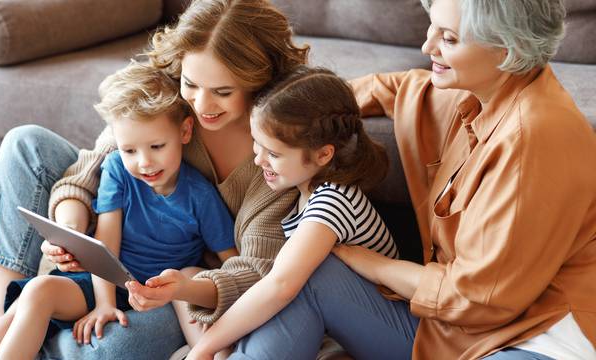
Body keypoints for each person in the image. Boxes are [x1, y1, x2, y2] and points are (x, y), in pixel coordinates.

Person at [220, 0, 596, 359]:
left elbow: (478, 300)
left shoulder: (532, 142)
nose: (426, 45)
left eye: (449, 38)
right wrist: (298, 121)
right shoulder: (481, 93)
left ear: (506, 49)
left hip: (534, 340)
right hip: (450, 330)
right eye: (433, 29)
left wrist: (367, 261)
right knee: (314, 272)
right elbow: (397, 90)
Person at [0, 0, 309, 358]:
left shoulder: (278, 157)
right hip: (113, 261)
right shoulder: (167, 96)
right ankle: (3, 314)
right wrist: (71, 234)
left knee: (110, 347)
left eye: (223, 92)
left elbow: (251, 272)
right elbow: (95, 168)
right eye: (191, 84)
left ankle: (29, 333)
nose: (201, 104)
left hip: (180, 286)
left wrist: (184, 290)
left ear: (258, 82)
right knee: (25, 145)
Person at [0, 59, 238, 359]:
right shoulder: (117, 167)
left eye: (157, 147)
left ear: (184, 132)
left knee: (191, 281)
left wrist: (194, 287)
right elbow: (106, 247)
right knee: (34, 295)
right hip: (107, 282)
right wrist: (104, 303)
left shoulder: (201, 196)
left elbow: (230, 263)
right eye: (130, 150)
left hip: (160, 295)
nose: (144, 162)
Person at [186, 66, 400, 359]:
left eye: (273, 154)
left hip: (399, 337)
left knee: (304, 278)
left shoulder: (334, 200)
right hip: (344, 326)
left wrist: (205, 347)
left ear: (324, 154)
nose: (259, 160)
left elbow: (281, 285)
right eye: (257, 145)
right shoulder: (301, 193)